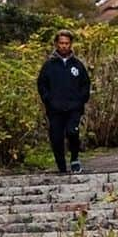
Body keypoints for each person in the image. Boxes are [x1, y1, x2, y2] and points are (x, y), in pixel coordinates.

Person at [37, 29, 91, 174]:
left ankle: (74, 159)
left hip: (74, 108)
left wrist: (81, 100)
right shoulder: (49, 65)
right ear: (56, 44)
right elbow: (41, 84)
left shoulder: (77, 65)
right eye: (61, 43)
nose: (64, 46)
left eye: (67, 43)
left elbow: (85, 84)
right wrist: (48, 100)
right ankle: (61, 166)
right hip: (55, 109)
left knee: (72, 132)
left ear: (71, 44)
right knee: (56, 138)